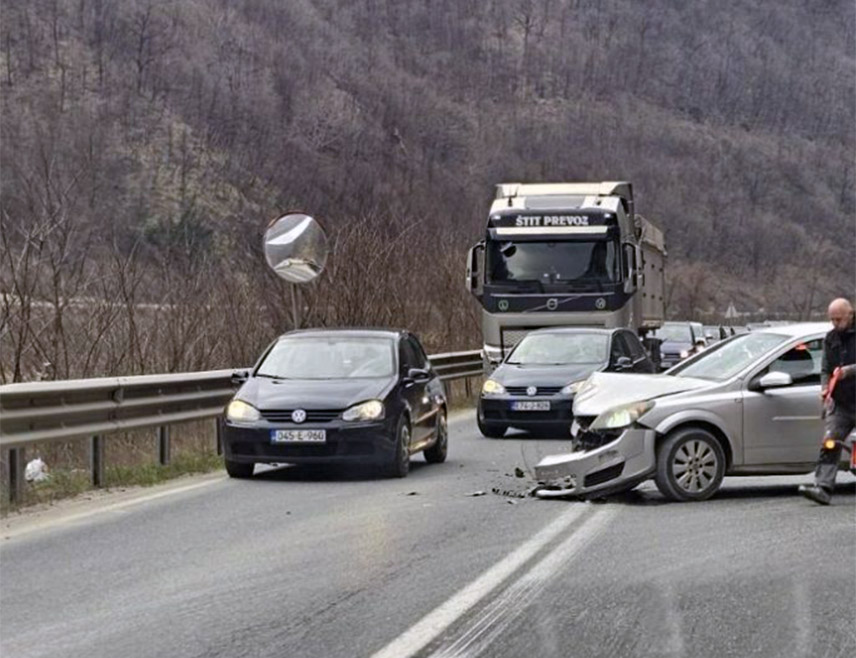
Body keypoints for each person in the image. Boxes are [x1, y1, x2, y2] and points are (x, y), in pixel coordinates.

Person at [798, 298, 856, 505]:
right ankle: (822, 487)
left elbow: (846, 370)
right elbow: (825, 369)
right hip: (841, 404)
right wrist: (825, 387)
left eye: (838, 319)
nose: (835, 323)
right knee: (829, 442)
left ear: (850, 315)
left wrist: (849, 371)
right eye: (832, 319)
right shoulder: (830, 339)